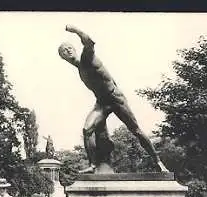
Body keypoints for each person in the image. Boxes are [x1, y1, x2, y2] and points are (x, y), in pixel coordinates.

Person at [58, 24, 169, 174]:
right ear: (63, 58)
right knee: (87, 129)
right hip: (102, 103)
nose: (67, 51)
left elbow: (90, 42)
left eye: (69, 48)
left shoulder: (87, 58)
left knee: (135, 130)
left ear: (74, 49)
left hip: (115, 99)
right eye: (63, 51)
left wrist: (75, 30)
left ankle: (158, 161)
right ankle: (93, 165)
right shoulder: (80, 69)